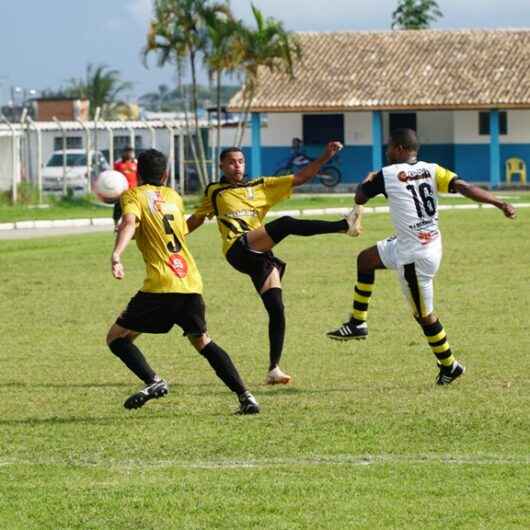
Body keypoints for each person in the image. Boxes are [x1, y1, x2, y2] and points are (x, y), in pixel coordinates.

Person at [327, 128, 516, 385]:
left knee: (424, 316)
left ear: (401, 149)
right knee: (366, 259)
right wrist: (499, 203)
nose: (387, 150)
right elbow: (463, 186)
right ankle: (358, 322)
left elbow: (359, 196)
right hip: (422, 243)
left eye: (390, 146)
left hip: (414, 257)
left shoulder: (387, 174)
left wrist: (367, 179)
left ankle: (450, 366)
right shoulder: (432, 169)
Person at [186, 142, 361, 385]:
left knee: (276, 309)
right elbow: (196, 219)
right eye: (231, 162)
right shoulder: (215, 191)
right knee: (286, 223)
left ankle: (273, 369)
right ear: (222, 166)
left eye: (240, 161)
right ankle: (343, 225)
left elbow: (300, 177)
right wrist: (174, 237)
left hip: (260, 254)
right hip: (238, 248)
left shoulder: (261, 186)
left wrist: (325, 156)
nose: (237, 166)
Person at [106, 148, 260, 414]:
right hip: (190, 282)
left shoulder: (133, 195)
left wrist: (117, 253)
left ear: (138, 174)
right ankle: (246, 396)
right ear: (165, 173)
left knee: (117, 338)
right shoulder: (174, 197)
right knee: (203, 342)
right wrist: (126, 228)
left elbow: (131, 222)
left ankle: (154, 381)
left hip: (161, 286)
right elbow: (169, 231)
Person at [112, 147, 138, 228]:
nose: (130, 154)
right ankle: (116, 224)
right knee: (118, 208)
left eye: (131, 152)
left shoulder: (135, 164)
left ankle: (134, 225)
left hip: (133, 191)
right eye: (128, 152)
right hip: (121, 191)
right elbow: (113, 174)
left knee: (132, 208)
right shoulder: (119, 164)